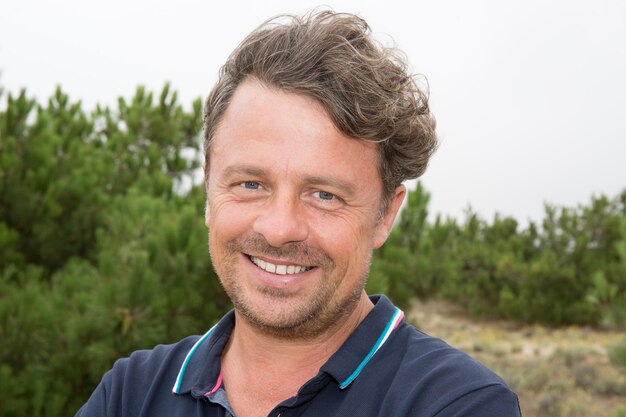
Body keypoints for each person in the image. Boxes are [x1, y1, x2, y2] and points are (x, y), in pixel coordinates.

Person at [76, 10, 522, 417]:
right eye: (250, 184)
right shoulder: (132, 393)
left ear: (386, 214)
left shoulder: (457, 405)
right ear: (209, 188)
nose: (279, 228)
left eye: (324, 194)